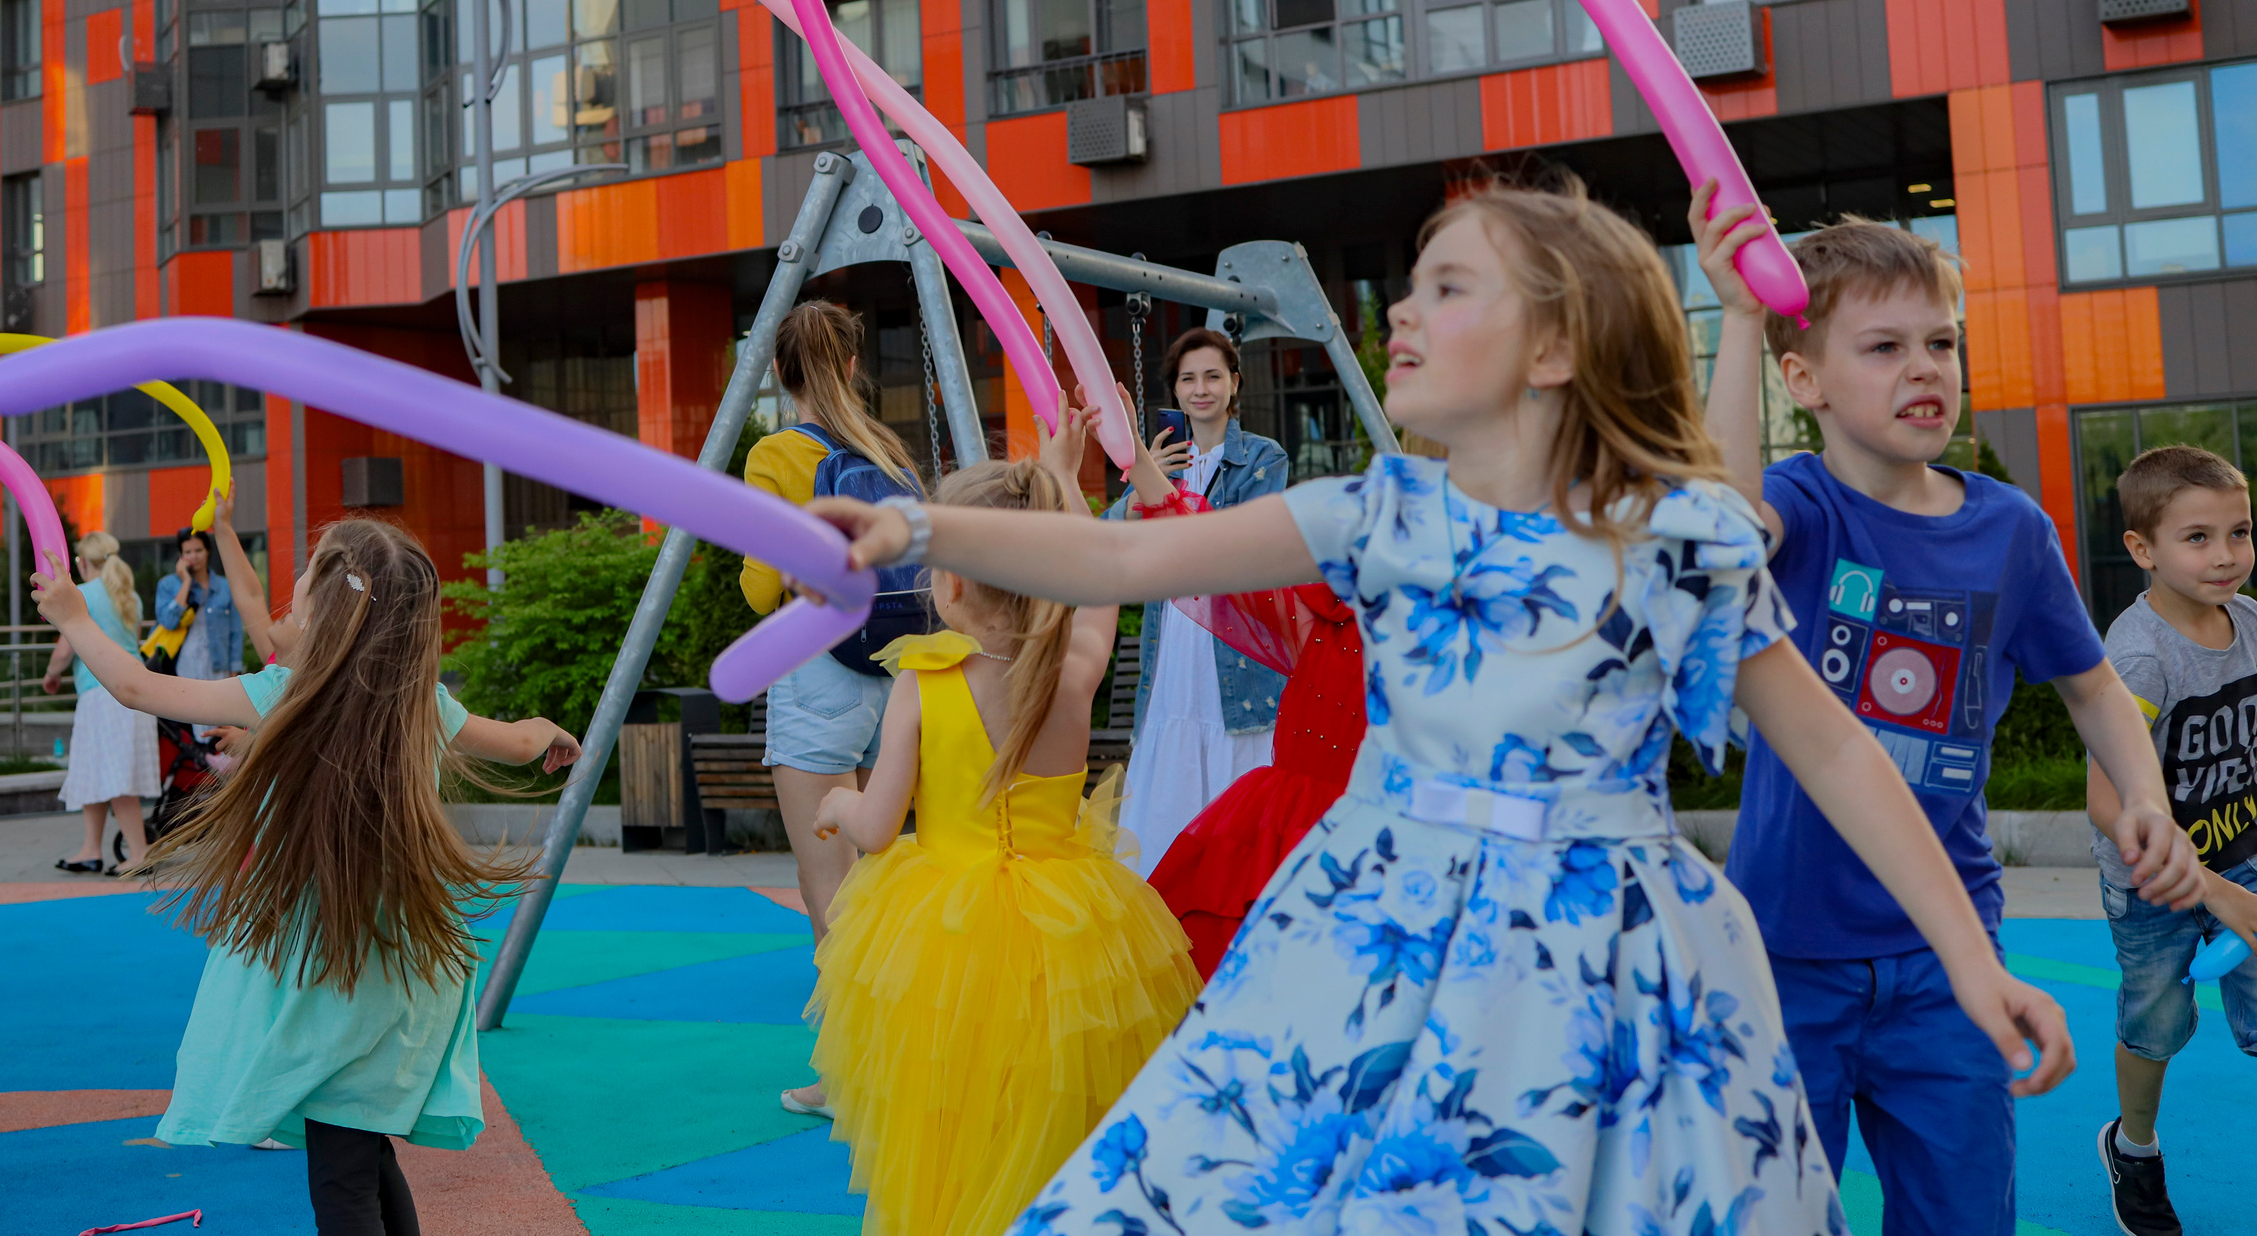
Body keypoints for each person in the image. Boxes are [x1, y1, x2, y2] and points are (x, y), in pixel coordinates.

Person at [811, 179, 2082, 1232]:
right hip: (1385, 930)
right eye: (1411, 286)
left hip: (1610, 963)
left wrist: (1972, 962)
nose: (1402, 315)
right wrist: (915, 526)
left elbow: (1842, 757)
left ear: (1556, 347)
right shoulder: (1382, 516)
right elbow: (1130, 558)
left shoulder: (1682, 539)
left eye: (1447, 287)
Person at [1694, 191, 2197, 1236]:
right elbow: (1713, 531)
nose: (1922, 366)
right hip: (1788, 952)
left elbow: (2092, 685)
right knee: (1772, 1216)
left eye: (1939, 341)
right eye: (1881, 346)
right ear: (1806, 381)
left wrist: (2144, 796)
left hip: (1947, 951)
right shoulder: (1799, 506)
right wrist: (1740, 322)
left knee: (1964, 1216)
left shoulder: (2008, 529)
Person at [32, 516, 582, 1234]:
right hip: (396, 959)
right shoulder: (422, 702)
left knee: (343, 1166)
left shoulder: (286, 690)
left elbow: (138, 687)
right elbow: (518, 740)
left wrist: (74, 616)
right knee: (356, 1139)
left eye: (310, 565)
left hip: (331, 966)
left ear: (328, 600)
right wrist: (551, 730)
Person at [803, 398, 1199, 1236]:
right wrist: (1062, 480)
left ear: (947, 581)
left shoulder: (923, 682)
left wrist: (839, 801)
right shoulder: (1073, 669)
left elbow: (876, 827)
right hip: (1074, 931)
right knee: (1058, 1118)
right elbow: (1103, 573)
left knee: (957, 1123)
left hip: (946, 940)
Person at [738, 298, 926, 1118]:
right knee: (881, 879)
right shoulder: (889, 453)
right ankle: (908, 1051)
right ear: (852, 366)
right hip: (896, 675)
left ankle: (851, 1075)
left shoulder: (778, 453)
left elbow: (759, 585)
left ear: (782, 373)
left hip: (816, 670)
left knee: (831, 896)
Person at [2082, 444, 2257, 1236]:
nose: (2226, 555)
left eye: (2240, 531)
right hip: (2152, 881)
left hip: (2241, 853)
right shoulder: (2139, 655)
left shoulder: (2251, 621)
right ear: (2142, 548)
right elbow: (2106, 797)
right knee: (2157, 1024)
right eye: (2197, 537)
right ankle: (2135, 1147)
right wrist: (2211, 890)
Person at [1120, 419, 1364, 976]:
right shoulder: (1321, 615)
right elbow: (1207, 548)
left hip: (1363, 839)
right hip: (1275, 830)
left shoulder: (1440, 633)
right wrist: (1135, 455)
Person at [1105, 328, 1288, 874]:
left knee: (1235, 770)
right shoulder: (1162, 464)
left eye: (1213, 376)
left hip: (1233, 650)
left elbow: (1241, 542)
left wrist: (1156, 483)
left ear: (1234, 384)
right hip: (1174, 648)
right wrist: (1145, 481)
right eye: (1188, 379)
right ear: (1176, 391)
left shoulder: (1261, 456)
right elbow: (1108, 535)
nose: (1200, 389)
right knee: (1172, 776)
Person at [45, 531, 160, 874]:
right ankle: (90, 849)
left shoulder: (83, 595)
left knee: (113, 773)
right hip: (132, 692)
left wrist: (51, 674)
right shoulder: (129, 596)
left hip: (101, 695)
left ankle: (139, 853)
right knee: (95, 770)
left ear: (82, 562)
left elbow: (66, 647)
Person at [159, 526, 245, 681]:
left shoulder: (225, 587)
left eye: (198, 550)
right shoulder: (168, 585)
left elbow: (235, 631)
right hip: (182, 668)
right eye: (188, 552)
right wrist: (186, 582)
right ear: (181, 556)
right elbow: (168, 622)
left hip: (218, 667)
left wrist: (234, 670)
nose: (194, 556)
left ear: (208, 551)